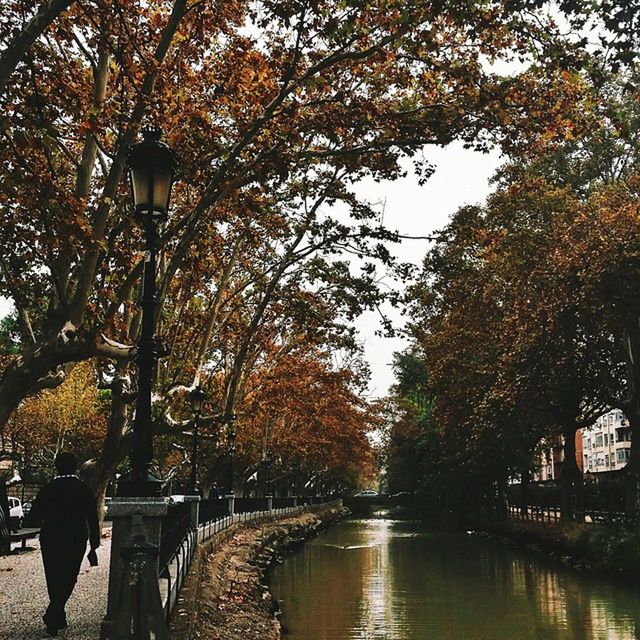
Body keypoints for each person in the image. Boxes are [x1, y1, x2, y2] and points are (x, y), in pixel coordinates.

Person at [29, 452, 100, 637]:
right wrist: (94, 543)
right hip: (75, 536)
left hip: (51, 536)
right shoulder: (83, 489)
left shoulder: (48, 488)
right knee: (69, 575)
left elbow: (35, 515)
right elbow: (93, 517)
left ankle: (56, 614)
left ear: (56, 466)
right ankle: (55, 613)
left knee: (53, 576)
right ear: (75, 466)